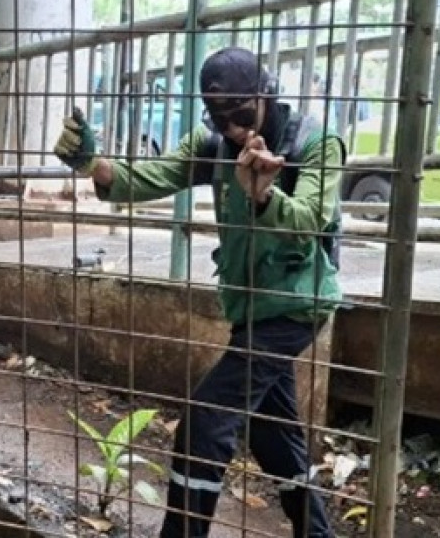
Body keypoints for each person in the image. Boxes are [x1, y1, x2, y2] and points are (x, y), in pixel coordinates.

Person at [53, 46, 343, 538]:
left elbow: (310, 220)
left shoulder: (314, 143)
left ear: (266, 95)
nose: (232, 129)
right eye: (218, 117)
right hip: (250, 307)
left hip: (296, 305)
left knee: (207, 420)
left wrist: (264, 193)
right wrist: (91, 164)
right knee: (274, 437)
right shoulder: (212, 143)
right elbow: (149, 177)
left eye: (240, 115)